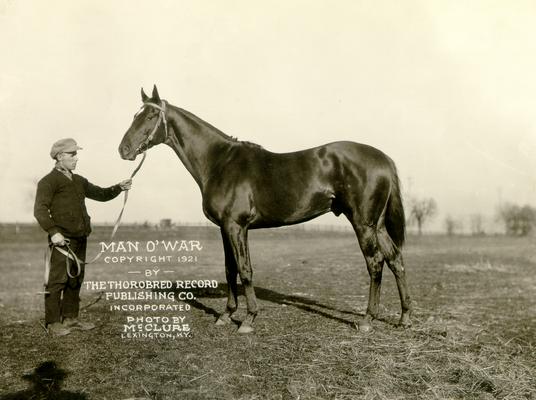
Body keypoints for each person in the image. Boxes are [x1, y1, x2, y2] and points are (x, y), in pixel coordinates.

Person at [34, 138, 132, 337]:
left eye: (75, 154)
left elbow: (101, 194)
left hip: (81, 237)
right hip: (62, 241)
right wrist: (54, 232)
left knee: (76, 279)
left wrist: (119, 187)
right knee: (57, 281)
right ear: (60, 157)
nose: (76, 159)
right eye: (72, 155)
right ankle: (53, 323)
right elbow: (40, 210)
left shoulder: (79, 181)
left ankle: (71, 319)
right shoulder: (48, 181)